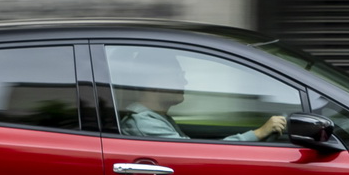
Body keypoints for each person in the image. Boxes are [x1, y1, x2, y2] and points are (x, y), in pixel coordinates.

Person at [113, 49, 287, 142]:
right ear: (153, 82)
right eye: (176, 76)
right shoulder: (144, 124)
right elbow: (200, 154)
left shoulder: (157, 119)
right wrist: (258, 133)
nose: (185, 83)